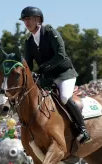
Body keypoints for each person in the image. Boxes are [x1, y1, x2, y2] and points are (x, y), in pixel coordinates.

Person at [19, 6, 91, 144]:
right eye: (24, 20)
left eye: (28, 19)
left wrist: (40, 70)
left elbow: (60, 55)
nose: (26, 22)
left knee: (64, 97)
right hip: (47, 78)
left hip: (64, 74)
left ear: (38, 19)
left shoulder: (50, 32)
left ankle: (83, 130)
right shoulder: (29, 41)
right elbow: (28, 65)